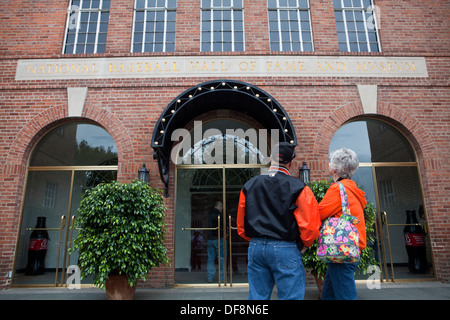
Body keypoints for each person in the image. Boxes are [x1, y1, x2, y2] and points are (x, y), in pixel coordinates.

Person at [237, 142, 321, 300]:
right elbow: (310, 225)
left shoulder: (249, 185)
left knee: (257, 297)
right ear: (291, 162)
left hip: (256, 246)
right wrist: (305, 244)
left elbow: (241, 225)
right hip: (285, 247)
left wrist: (256, 240)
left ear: (271, 158)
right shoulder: (300, 187)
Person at [319, 148, 367, 300]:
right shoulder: (353, 189)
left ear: (334, 168)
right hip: (349, 249)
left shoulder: (338, 189)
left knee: (346, 297)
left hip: (341, 252)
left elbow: (319, 213)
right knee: (328, 295)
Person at [207, 201, 225, 283]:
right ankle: (221, 278)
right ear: (220, 207)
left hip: (210, 239)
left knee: (210, 259)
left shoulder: (209, 214)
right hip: (219, 238)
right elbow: (223, 225)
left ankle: (210, 277)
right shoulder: (220, 215)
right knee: (221, 258)